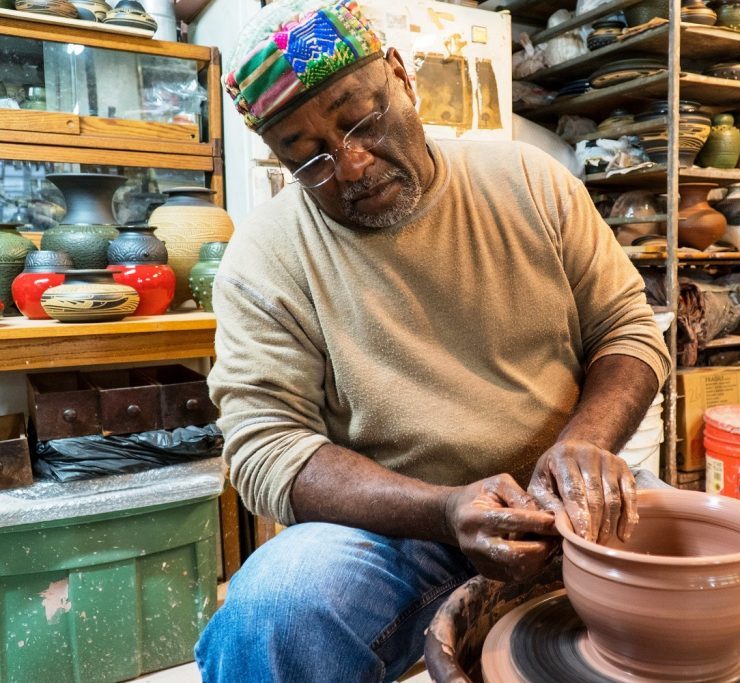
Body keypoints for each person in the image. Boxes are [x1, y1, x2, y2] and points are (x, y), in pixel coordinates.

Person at [194, 1, 670, 680]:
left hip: (572, 501)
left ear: (400, 75)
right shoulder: (265, 258)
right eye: (309, 158)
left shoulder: (531, 184)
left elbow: (626, 327)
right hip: (398, 532)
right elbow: (267, 449)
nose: (351, 164)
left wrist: (583, 447)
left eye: (358, 117)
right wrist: (443, 511)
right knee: (273, 608)